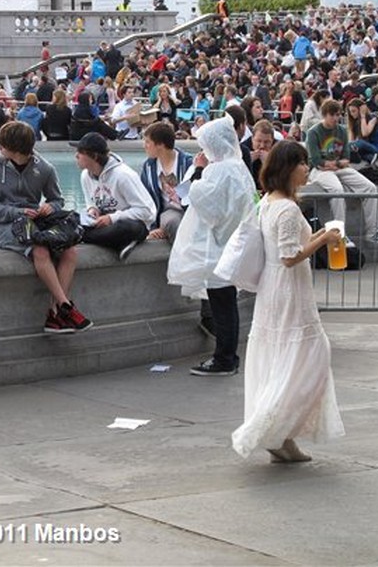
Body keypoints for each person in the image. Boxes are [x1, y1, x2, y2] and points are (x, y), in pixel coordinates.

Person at [231, 141, 345, 463]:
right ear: (288, 168)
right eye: (302, 163)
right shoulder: (287, 208)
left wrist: (318, 235)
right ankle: (273, 427)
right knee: (307, 355)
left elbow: (288, 247)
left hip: (274, 289)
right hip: (288, 289)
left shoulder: (269, 201)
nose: (307, 169)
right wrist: (322, 238)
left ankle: (282, 435)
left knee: (281, 356)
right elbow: (289, 256)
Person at [0, 122, 93, 334]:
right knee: (40, 250)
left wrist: (50, 207)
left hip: (35, 223)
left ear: (15, 150)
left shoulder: (45, 168)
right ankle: (65, 306)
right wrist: (18, 212)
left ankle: (55, 313)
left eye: (2, 145)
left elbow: (57, 199)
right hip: (4, 225)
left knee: (69, 251)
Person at [166, 117, 255, 377]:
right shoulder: (237, 166)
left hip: (217, 249)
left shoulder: (218, 170)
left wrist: (197, 172)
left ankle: (225, 358)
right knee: (227, 304)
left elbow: (202, 201)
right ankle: (227, 356)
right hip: (231, 245)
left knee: (222, 306)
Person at [305, 99, 378, 245]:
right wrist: (330, 164)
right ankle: (340, 235)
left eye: (338, 115)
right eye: (333, 115)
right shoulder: (313, 132)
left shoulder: (341, 130)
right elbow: (315, 160)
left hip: (339, 168)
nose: (336, 118)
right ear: (325, 115)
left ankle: (373, 233)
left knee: (369, 188)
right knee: (337, 191)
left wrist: (334, 163)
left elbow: (346, 157)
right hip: (319, 171)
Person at [73, 132, 156, 260]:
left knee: (125, 228)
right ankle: (116, 243)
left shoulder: (123, 175)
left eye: (80, 152)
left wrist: (112, 218)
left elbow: (146, 212)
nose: (76, 156)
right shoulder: (85, 176)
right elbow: (91, 202)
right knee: (71, 219)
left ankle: (92, 237)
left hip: (131, 225)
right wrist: (92, 210)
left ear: (94, 156)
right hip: (104, 225)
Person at [140, 122, 193, 242]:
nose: (145, 146)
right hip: (168, 212)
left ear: (160, 145)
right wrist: (153, 227)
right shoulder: (148, 167)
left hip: (190, 211)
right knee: (173, 222)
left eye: (148, 142)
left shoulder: (187, 163)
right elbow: (145, 199)